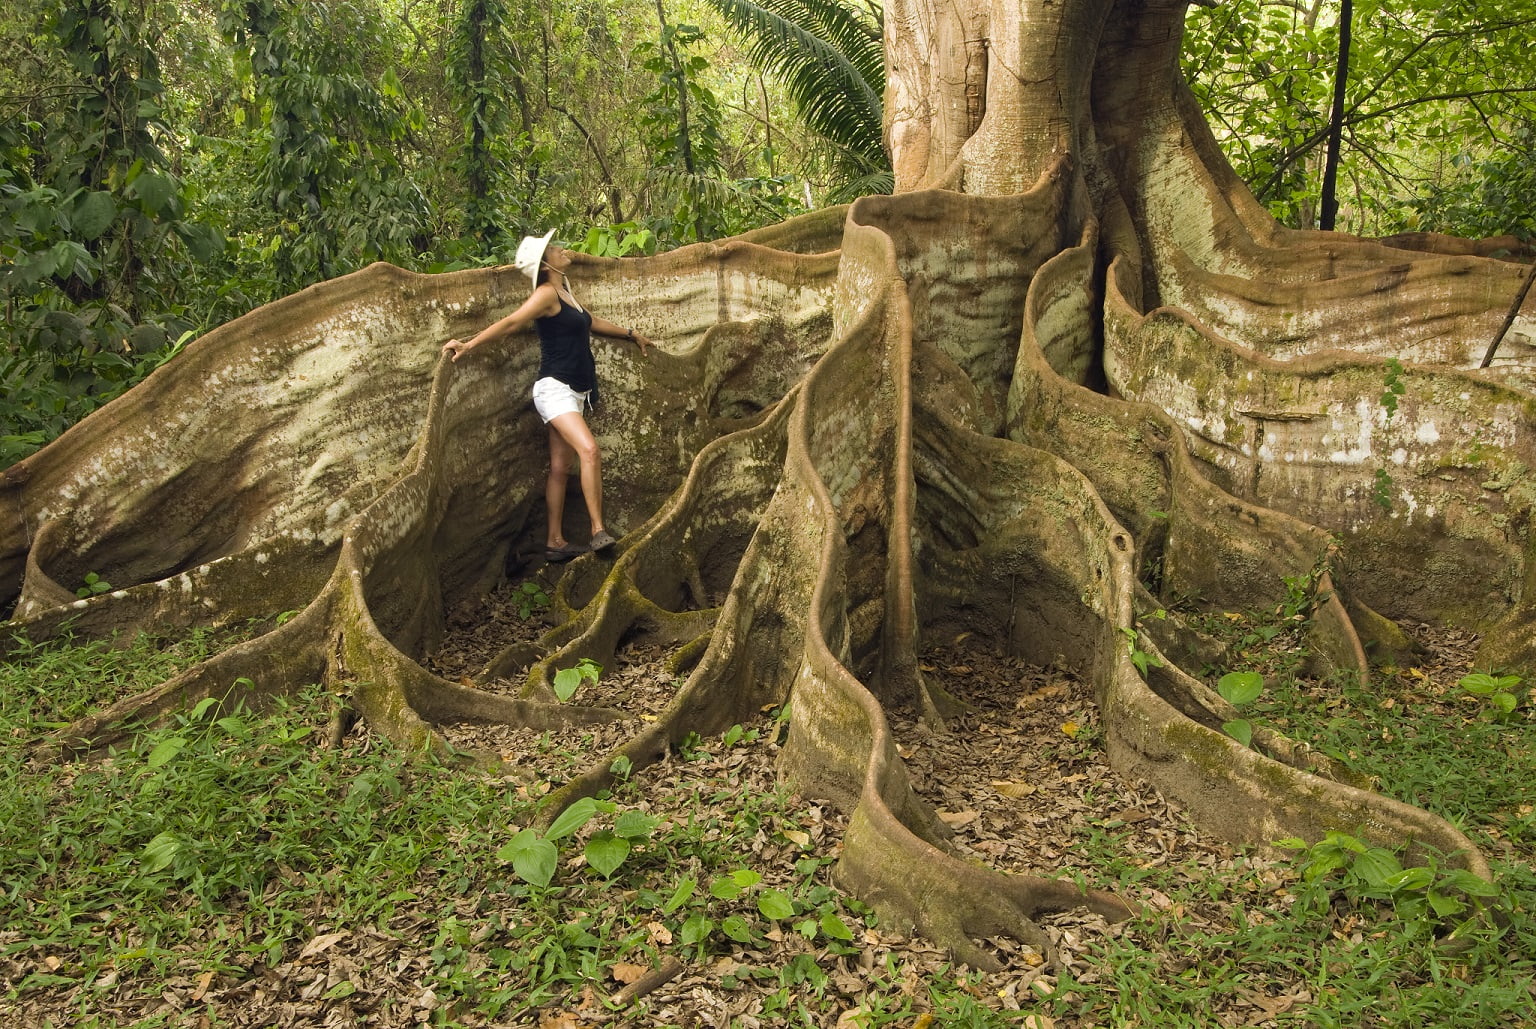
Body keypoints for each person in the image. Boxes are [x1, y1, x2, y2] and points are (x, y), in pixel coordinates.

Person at [443, 230, 652, 562]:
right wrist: (468, 345)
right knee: (590, 450)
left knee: (559, 466)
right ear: (544, 265)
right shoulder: (545, 294)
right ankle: (598, 531)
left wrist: (631, 333)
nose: (562, 249)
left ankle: (555, 541)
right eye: (554, 248)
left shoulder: (565, 291)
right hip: (554, 389)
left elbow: (592, 321)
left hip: (575, 391)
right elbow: (512, 322)